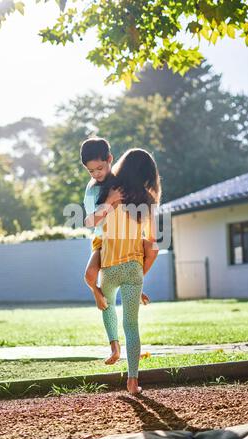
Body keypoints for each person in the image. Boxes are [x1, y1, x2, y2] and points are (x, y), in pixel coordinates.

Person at [89, 148, 161, 395]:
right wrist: (141, 278)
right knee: (132, 325)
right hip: (133, 270)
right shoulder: (148, 202)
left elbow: (93, 222)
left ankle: (114, 348)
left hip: (109, 268)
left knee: (107, 306)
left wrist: (107, 203)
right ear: (147, 174)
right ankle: (132, 381)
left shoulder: (110, 190)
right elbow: (152, 244)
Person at [81, 137, 150, 315]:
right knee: (89, 275)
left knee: (150, 248)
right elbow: (90, 222)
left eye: (99, 168)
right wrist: (109, 201)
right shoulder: (92, 189)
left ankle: (137, 286)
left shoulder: (121, 181)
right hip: (102, 240)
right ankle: (97, 293)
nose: (96, 174)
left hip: (124, 238)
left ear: (109, 159)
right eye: (91, 171)